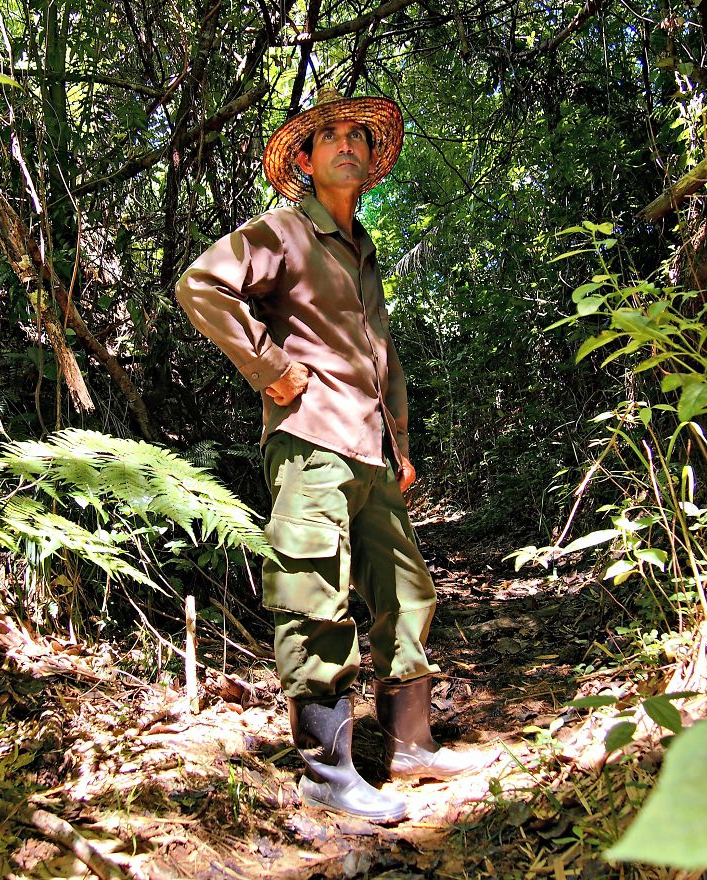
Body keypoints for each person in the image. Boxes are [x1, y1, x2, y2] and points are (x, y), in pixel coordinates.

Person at [176, 85, 482, 823]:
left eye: (358, 135)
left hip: (370, 452)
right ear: (306, 162)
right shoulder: (283, 232)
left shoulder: (364, 253)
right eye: (330, 135)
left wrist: (399, 445)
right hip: (311, 441)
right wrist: (271, 370)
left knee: (407, 592)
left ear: (372, 159)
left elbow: (382, 358)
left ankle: (408, 743)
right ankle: (326, 769)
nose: (348, 141)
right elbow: (202, 286)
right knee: (314, 593)